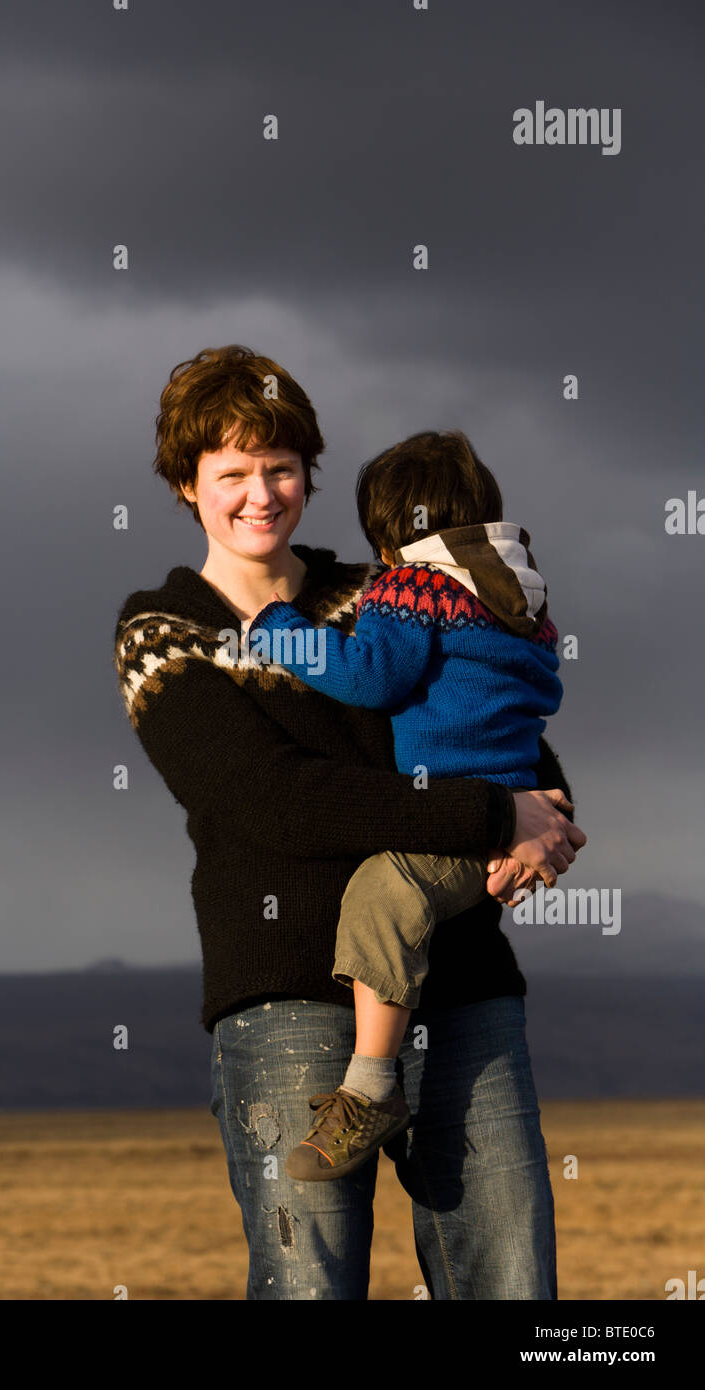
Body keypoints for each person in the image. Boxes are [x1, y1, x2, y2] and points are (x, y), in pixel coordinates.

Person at [112, 344, 586, 1300]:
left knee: (512, 1288)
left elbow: (490, 716)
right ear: (184, 484)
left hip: (463, 988)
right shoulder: (163, 634)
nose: (260, 494)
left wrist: (549, 810)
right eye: (231, 473)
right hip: (291, 1002)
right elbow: (278, 801)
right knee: (311, 1289)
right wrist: (499, 812)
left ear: (309, 473)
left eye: (280, 468)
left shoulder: (380, 588)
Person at [244, 430, 564, 1180]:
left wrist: (280, 631)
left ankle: (371, 1088)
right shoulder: (520, 599)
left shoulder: (413, 589)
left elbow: (370, 677)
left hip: (451, 822)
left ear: (390, 533)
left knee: (379, 899)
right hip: (503, 815)